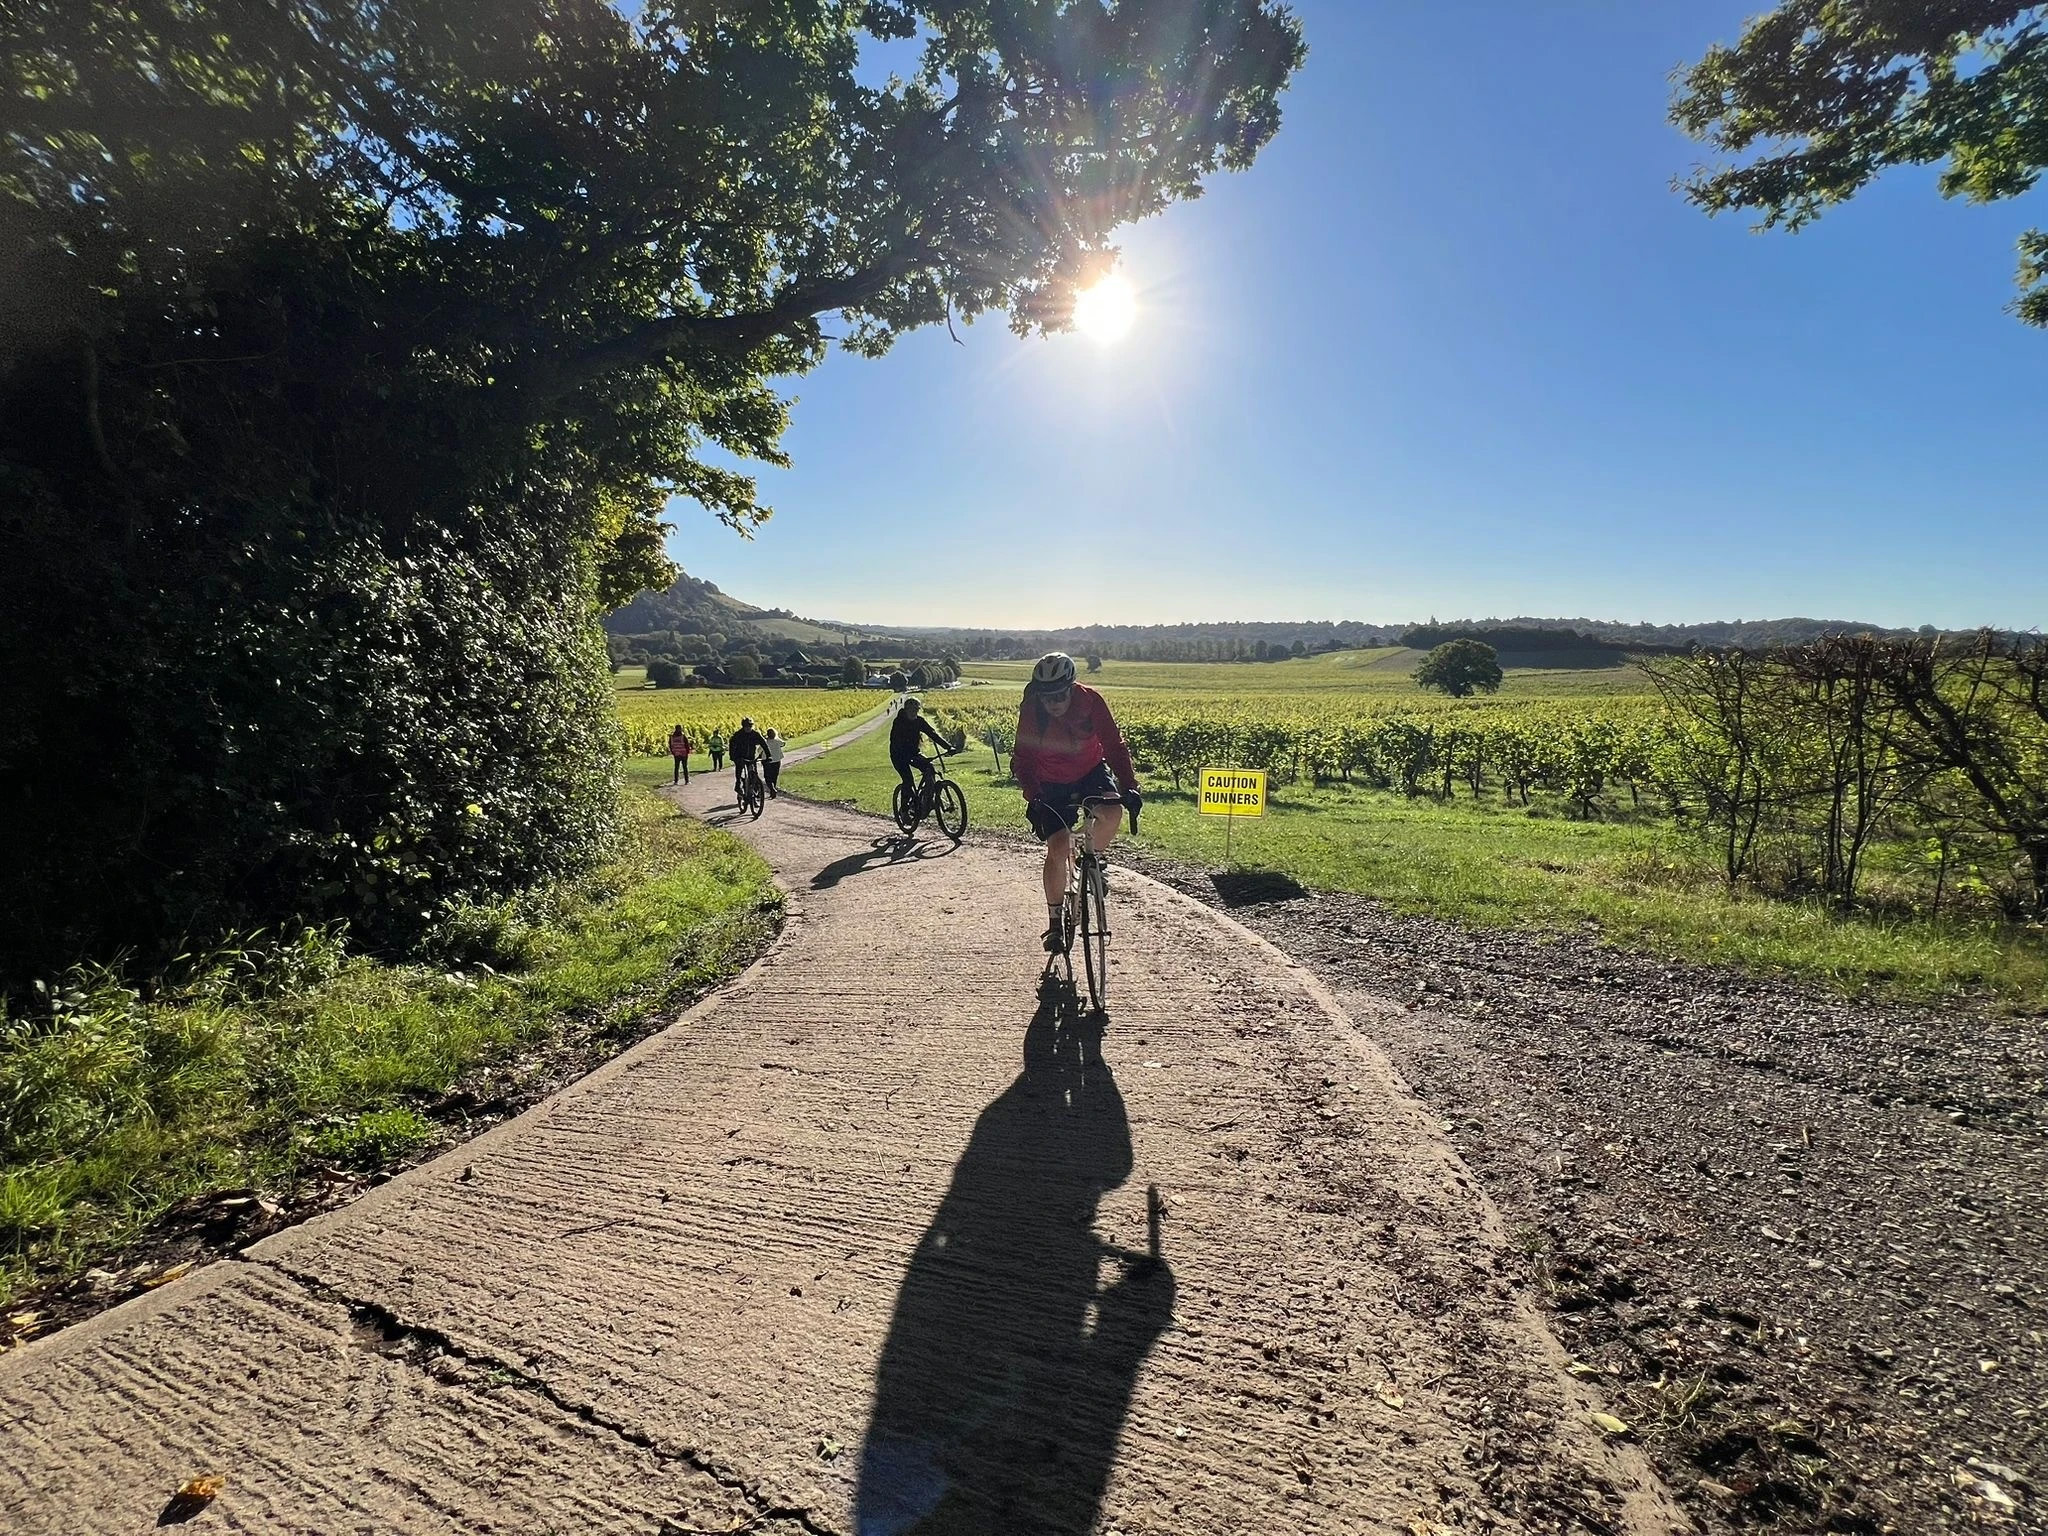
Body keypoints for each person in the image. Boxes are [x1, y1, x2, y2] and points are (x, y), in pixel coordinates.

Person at [1014, 653, 1142, 952]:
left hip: (1090, 771)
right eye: (1047, 697)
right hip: (1050, 781)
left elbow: (1113, 745)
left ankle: (1094, 859)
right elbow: (1024, 758)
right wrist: (1034, 795)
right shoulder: (1033, 710)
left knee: (1112, 811)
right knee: (1058, 848)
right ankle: (1055, 921)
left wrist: (1130, 786)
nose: (1054, 702)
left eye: (1060, 694)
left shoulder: (1091, 701)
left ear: (1072, 687)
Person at [889, 696, 951, 807]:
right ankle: (904, 809)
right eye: (911, 710)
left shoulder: (919, 721)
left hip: (914, 753)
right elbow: (895, 742)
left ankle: (928, 799)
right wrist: (907, 756)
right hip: (898, 755)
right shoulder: (899, 722)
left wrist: (948, 747)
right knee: (908, 780)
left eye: (916, 710)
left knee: (930, 769)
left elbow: (933, 734)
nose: (914, 712)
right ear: (906, 710)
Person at [727, 716, 768, 801]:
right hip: (740, 756)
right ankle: (738, 784)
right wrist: (733, 756)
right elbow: (731, 745)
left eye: (750, 726)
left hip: (751, 757)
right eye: (746, 727)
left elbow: (764, 744)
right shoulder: (738, 735)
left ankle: (755, 792)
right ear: (743, 727)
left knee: (753, 774)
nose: (748, 728)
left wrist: (769, 755)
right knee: (739, 771)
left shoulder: (755, 734)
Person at [763, 727, 785, 798]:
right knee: (774, 776)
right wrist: (778, 737)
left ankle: (772, 789)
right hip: (777, 760)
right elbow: (783, 743)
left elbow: (759, 750)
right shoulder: (777, 741)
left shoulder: (766, 742)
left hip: (767, 761)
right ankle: (773, 789)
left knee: (767, 777)